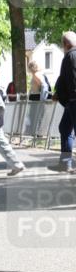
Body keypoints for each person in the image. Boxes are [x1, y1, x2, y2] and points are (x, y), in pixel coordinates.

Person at [50, 31, 75, 173]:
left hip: (73, 100)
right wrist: (59, 93)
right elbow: (65, 79)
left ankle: (66, 163)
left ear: (65, 44)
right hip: (71, 101)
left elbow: (71, 79)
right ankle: (65, 163)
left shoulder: (70, 56)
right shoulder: (70, 56)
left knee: (66, 128)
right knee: (65, 128)